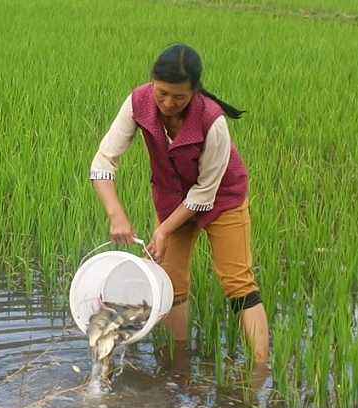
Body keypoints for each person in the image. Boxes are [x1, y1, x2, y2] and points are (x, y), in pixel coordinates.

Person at [89, 44, 269, 363]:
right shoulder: (138, 103)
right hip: (172, 199)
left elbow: (204, 194)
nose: (168, 103)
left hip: (222, 200)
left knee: (238, 282)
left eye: (179, 97)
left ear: (194, 92)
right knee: (171, 285)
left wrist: (163, 231)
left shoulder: (213, 121)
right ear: (152, 83)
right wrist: (116, 214)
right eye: (162, 93)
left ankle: (260, 368)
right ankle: (178, 362)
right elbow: (104, 160)